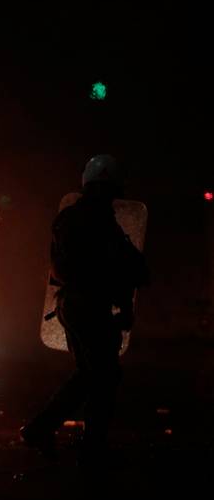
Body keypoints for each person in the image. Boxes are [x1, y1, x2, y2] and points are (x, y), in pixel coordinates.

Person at [21, 155, 148, 461]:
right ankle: (51, 430)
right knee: (102, 373)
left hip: (73, 304)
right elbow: (120, 265)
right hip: (87, 305)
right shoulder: (99, 220)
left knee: (92, 372)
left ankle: (83, 438)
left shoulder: (71, 218)